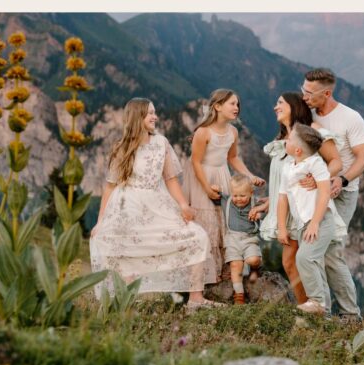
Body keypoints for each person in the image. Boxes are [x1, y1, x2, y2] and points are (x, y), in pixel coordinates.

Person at [90, 98, 212, 311]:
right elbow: (110, 187)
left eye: (155, 112)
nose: (155, 117)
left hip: (158, 203)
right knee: (124, 249)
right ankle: (126, 302)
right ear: (137, 117)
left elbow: (170, 179)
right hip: (127, 207)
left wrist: (183, 205)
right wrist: (100, 221)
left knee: (197, 236)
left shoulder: (161, 143)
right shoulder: (122, 147)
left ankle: (195, 299)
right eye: (150, 113)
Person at [259, 93, 343, 305]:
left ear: (294, 106)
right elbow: (284, 184)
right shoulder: (284, 140)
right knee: (292, 262)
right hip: (289, 210)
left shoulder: (308, 133)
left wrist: (318, 180)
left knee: (304, 261)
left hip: (309, 211)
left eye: (280, 103)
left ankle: (320, 307)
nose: (275, 107)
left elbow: (335, 161)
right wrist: (268, 203)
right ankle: (307, 306)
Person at [182, 89, 264, 293]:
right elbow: (196, 162)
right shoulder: (204, 132)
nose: (236, 108)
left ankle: (226, 269)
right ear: (217, 106)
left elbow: (233, 158)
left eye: (237, 104)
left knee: (224, 220)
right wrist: (206, 188)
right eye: (232, 104)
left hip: (222, 175)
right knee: (207, 222)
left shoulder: (232, 132)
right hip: (203, 177)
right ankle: (204, 275)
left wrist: (250, 175)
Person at [302, 68, 364, 320]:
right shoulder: (308, 116)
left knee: (331, 252)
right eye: (303, 90)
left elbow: (363, 158)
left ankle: (350, 315)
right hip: (314, 192)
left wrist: (342, 178)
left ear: (327, 93)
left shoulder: (351, 118)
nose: (305, 96)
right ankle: (322, 311)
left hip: (343, 192)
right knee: (312, 250)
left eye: (310, 92)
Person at [276, 124, 346, 315]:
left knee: (304, 258)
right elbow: (282, 199)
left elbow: (324, 192)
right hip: (302, 225)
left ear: (298, 150)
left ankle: (316, 301)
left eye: (289, 139)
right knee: (314, 264)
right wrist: (282, 227)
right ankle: (325, 315)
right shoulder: (287, 168)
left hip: (320, 221)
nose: (286, 140)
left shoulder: (315, 164)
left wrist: (315, 222)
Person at [221, 174, 263, 305]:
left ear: (251, 193)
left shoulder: (255, 203)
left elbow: (270, 208)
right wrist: (214, 188)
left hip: (249, 238)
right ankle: (239, 296)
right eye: (235, 195)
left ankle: (256, 267)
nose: (238, 199)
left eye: (242, 195)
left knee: (252, 259)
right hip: (232, 238)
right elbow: (213, 195)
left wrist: (260, 214)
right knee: (235, 265)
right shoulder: (227, 201)